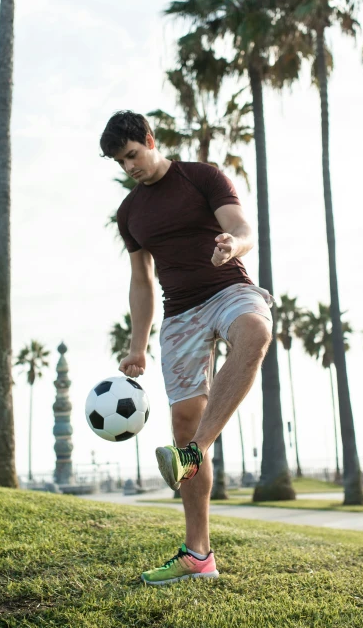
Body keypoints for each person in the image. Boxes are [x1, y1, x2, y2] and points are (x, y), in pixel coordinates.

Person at [100, 110, 274, 586]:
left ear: (150, 140)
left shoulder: (202, 177)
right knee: (182, 423)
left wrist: (232, 246)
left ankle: (194, 452)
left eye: (133, 154)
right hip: (178, 314)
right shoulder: (130, 213)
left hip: (227, 290)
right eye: (120, 161)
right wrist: (137, 346)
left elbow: (243, 229)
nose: (129, 166)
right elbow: (142, 281)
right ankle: (198, 555)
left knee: (256, 332)